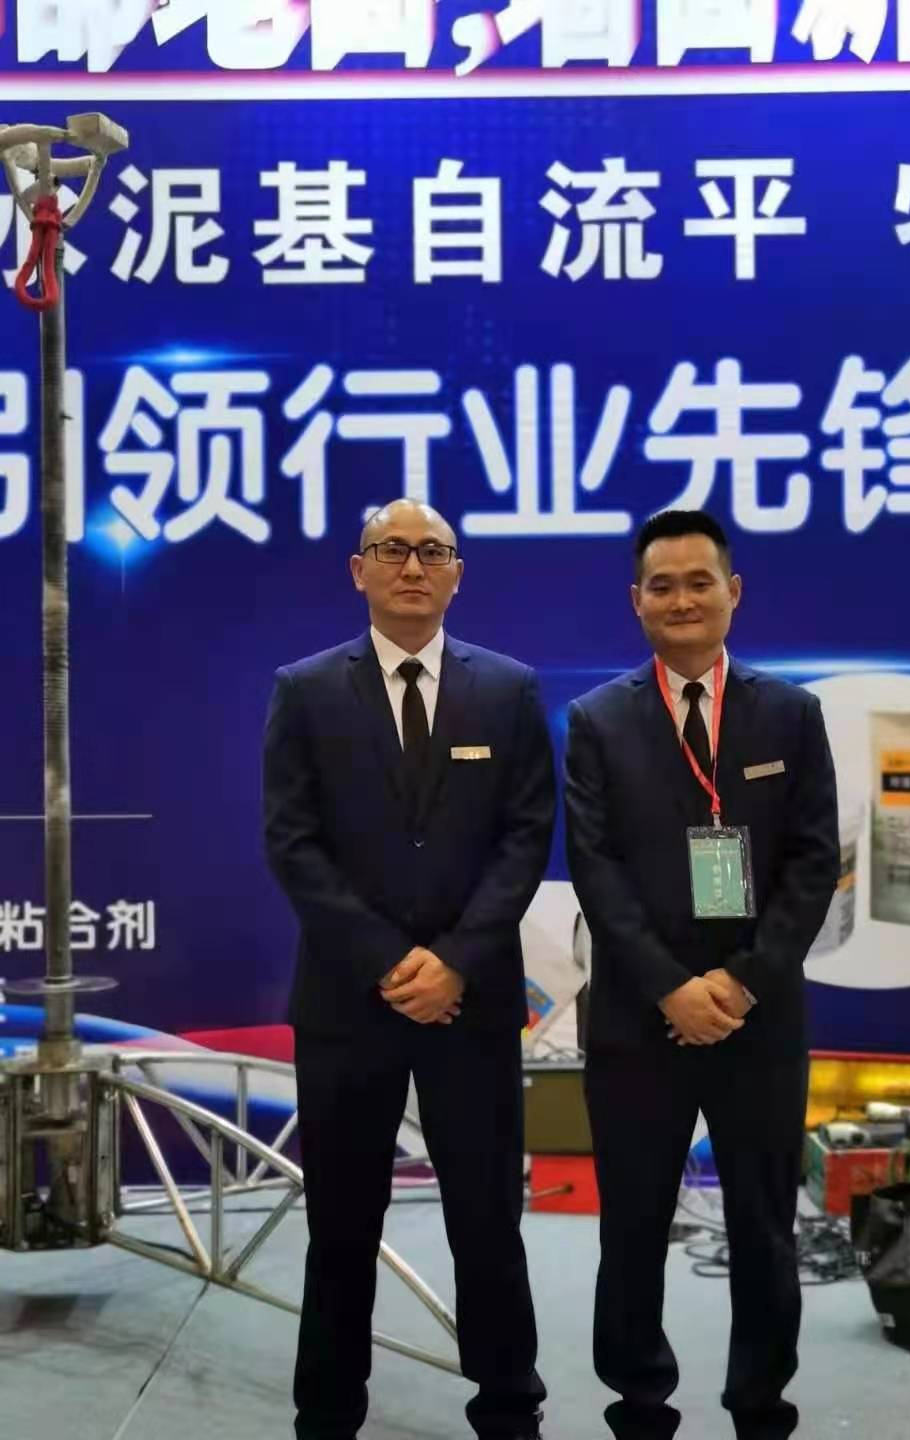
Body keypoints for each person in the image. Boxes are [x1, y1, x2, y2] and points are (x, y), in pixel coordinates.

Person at [264, 499, 554, 1440]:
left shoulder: (508, 689)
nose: (414, 567)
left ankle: (509, 1411)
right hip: (349, 1003)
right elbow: (293, 843)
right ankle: (327, 1415)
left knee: (487, 1222)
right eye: (393, 550)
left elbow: (525, 839)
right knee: (341, 1227)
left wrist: (456, 962)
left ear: (458, 574)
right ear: (360, 571)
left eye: (434, 552)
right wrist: (391, 961)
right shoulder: (306, 690)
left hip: (472, 1004)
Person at [564, 509, 839, 1440]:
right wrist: (671, 988)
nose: (681, 599)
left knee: (764, 1225)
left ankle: (762, 1406)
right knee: (632, 1227)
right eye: (662, 585)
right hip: (638, 1021)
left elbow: (812, 863)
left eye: (699, 581)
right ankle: (640, 1406)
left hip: (759, 1020)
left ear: (734, 591)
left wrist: (742, 982)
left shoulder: (790, 714)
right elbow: (595, 869)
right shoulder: (597, 721)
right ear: (636, 601)